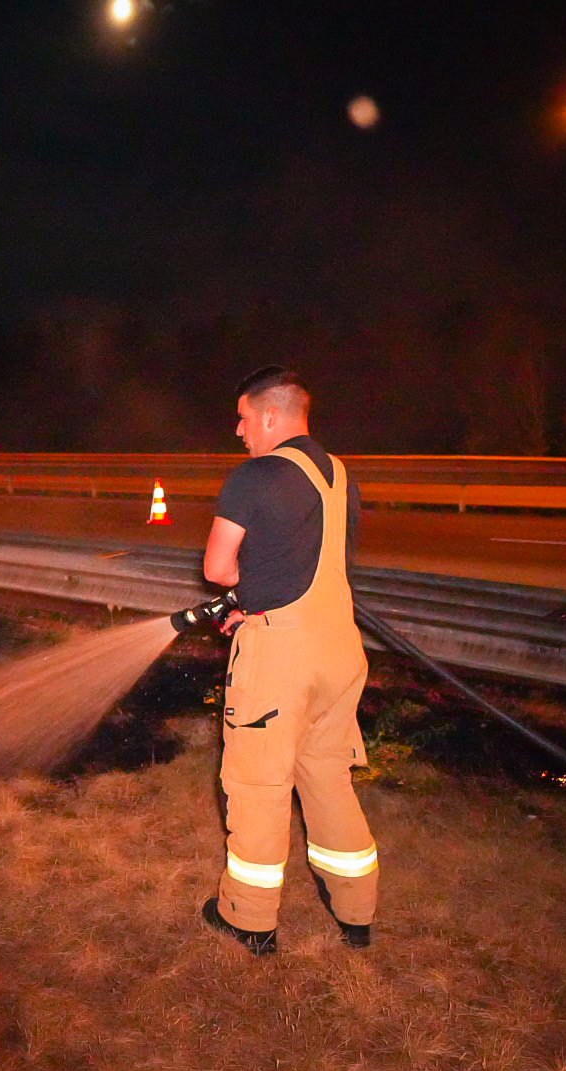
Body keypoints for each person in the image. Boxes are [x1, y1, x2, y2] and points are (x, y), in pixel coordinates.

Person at [199, 365, 377, 955]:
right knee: (327, 777)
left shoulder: (256, 476)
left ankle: (247, 918)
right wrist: (257, 602)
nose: (239, 429)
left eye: (245, 417)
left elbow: (219, 570)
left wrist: (249, 603)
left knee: (256, 783)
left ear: (271, 416)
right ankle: (356, 911)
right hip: (341, 649)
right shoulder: (339, 475)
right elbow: (308, 563)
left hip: (282, 659)